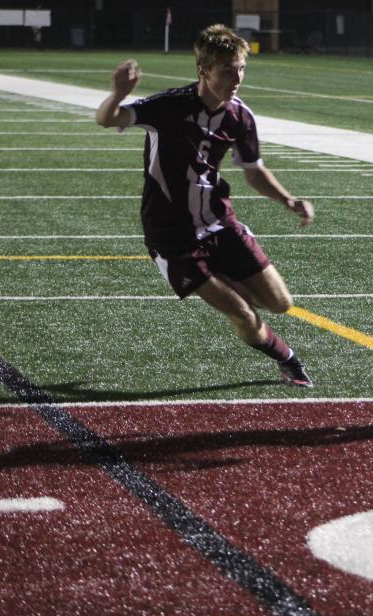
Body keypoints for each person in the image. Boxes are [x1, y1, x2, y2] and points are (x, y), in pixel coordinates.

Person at [94, 24, 315, 388]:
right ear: (204, 70)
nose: (236, 77)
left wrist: (287, 199)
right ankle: (287, 359)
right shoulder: (168, 107)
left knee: (280, 303)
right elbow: (106, 119)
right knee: (243, 312)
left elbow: (254, 171)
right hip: (172, 235)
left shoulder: (240, 116)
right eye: (227, 69)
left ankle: (224, 282)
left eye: (241, 68)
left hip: (217, 220)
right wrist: (117, 94)